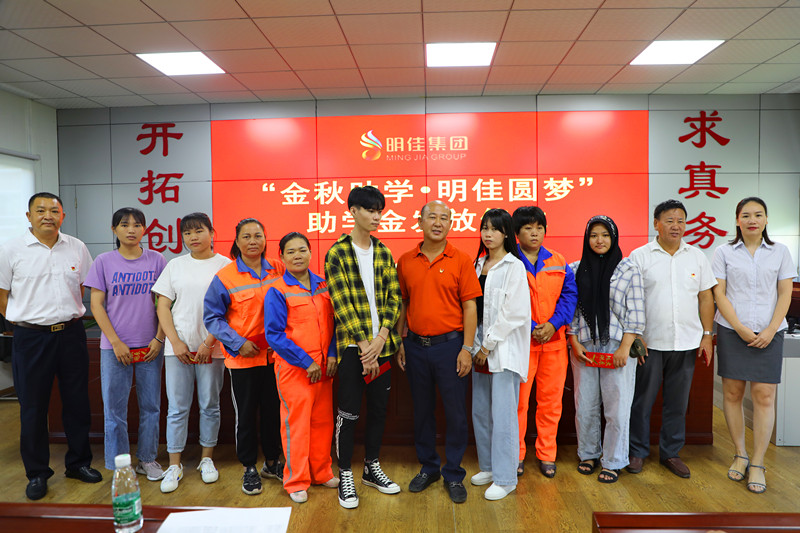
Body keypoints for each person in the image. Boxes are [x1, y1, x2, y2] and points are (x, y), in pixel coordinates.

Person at [0, 192, 102, 500]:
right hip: (31, 338)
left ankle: (78, 463)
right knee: (33, 406)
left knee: (77, 402)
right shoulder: (10, 249)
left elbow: (81, 288)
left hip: (71, 334)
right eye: (41, 210)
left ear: (62, 216)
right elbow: (2, 296)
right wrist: (24, 320)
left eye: (54, 211)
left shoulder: (77, 247)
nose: (48, 215)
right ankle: (37, 473)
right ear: (29, 216)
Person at [396, 200, 482, 504]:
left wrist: (467, 349)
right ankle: (429, 467)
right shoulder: (405, 260)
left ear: (450, 224)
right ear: (420, 222)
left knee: (456, 413)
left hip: (451, 347)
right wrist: (400, 341)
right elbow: (403, 303)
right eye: (431, 217)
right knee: (422, 411)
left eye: (444, 218)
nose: (438, 222)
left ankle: (454, 473)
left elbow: (470, 306)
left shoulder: (461, 259)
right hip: (415, 347)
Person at [324, 186, 402, 509]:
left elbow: (394, 297)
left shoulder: (383, 252)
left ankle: (371, 467)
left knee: (379, 411)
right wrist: (364, 346)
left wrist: (381, 339)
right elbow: (341, 304)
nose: (376, 216)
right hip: (352, 349)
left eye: (379, 210)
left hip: (382, 348)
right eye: (370, 210)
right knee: (349, 412)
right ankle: (345, 472)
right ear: (353, 211)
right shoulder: (337, 253)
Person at [711, 197, 795, 494]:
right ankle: (740, 454)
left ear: (766, 219)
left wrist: (771, 329)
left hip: (771, 332)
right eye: (746, 215)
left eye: (758, 215)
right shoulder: (723, 252)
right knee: (733, 393)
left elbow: (785, 293)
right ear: (737, 220)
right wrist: (739, 327)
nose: (752, 220)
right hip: (733, 330)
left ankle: (758, 462)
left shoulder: (780, 252)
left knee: (764, 395)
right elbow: (719, 294)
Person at [627, 199, 716, 478]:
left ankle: (671, 452)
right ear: (656, 224)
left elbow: (706, 297)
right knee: (642, 400)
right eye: (669, 221)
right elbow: (630, 298)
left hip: (687, 341)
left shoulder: (696, 256)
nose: (676, 226)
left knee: (678, 403)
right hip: (649, 343)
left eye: (680, 221)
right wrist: (635, 336)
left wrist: (707, 335)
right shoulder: (639, 256)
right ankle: (637, 451)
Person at [84, 207, 166, 481]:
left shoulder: (157, 260)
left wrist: (159, 338)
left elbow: (164, 304)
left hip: (150, 346)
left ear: (144, 229)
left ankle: (147, 459)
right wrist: (116, 342)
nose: (131, 229)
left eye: (137, 224)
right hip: (114, 348)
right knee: (114, 410)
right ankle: (120, 465)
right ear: (114, 229)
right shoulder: (103, 262)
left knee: (151, 407)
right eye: (124, 224)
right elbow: (96, 305)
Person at [203, 218, 284, 495]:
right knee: (246, 415)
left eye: (258, 235)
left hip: (275, 358)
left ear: (265, 239)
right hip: (243, 360)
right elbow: (212, 318)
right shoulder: (225, 277)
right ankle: (249, 467)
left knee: (273, 412)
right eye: (246, 236)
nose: (253, 241)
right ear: (237, 241)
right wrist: (238, 343)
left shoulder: (278, 268)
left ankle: (272, 463)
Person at [151, 212, 231, 493]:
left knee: (210, 405)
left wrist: (209, 343)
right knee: (177, 407)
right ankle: (174, 465)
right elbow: (162, 306)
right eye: (187, 233)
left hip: (213, 348)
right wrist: (175, 342)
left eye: (198, 231)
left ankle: (206, 460)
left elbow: (229, 310)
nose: (193, 237)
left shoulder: (225, 266)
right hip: (178, 349)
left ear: (212, 233)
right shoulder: (175, 265)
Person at [567, 216, 645, 484]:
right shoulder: (575, 268)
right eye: (593, 235)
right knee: (585, 405)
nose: (599, 240)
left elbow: (636, 312)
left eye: (605, 235)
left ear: (614, 238)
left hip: (617, 346)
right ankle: (588, 454)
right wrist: (574, 341)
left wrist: (625, 347)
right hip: (585, 346)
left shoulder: (628, 269)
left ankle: (613, 460)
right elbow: (572, 310)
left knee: (617, 408)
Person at [265, 232, 339, 504]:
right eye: (291, 251)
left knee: (322, 423)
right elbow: (274, 335)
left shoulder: (323, 285)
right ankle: (296, 481)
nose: (297, 256)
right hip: (295, 370)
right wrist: (306, 362)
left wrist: (332, 355)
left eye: (302, 250)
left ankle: (321, 472)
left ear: (310, 252)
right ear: (282, 257)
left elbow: (335, 324)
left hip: (324, 369)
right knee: (296, 426)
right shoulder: (277, 290)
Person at [468, 209, 531, 500]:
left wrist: (487, 345)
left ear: (506, 233)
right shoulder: (478, 263)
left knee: (504, 415)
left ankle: (506, 478)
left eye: (494, 229)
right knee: (481, 411)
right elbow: (473, 310)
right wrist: (475, 346)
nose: (488, 234)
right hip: (478, 349)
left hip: (502, 351)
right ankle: (489, 467)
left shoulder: (514, 266)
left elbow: (513, 313)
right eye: (484, 228)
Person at [511, 206, 577, 478]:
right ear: (516, 233)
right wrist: (530, 328)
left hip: (554, 343)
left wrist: (553, 324)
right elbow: (505, 302)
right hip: (520, 344)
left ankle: (547, 453)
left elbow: (569, 296)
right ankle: (515, 455)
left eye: (539, 227)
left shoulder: (558, 261)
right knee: (518, 404)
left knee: (550, 402)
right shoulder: (508, 260)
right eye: (528, 228)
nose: (535, 233)